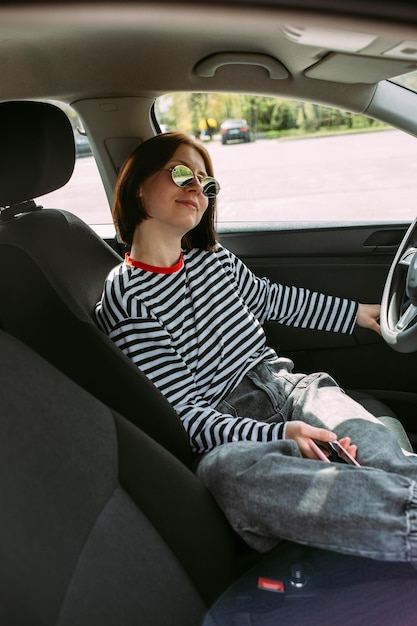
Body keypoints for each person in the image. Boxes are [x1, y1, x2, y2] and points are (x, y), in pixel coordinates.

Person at [95, 131, 417, 565]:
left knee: (380, 454)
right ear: (137, 183)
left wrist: (358, 314)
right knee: (223, 472)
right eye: (182, 173)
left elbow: (274, 300)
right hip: (229, 427)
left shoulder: (214, 260)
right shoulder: (127, 295)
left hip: (293, 389)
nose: (197, 188)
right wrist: (279, 434)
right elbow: (185, 414)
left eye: (207, 184)